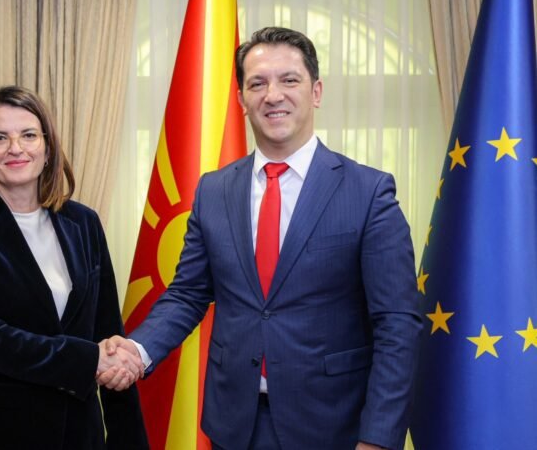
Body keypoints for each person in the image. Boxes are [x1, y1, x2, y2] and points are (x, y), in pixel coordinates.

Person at [103, 27, 422, 450]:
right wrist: (136, 351)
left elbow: (397, 323)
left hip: (333, 426)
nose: (273, 95)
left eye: (289, 80)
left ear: (316, 92)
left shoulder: (368, 192)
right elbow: (187, 294)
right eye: (257, 83)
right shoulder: (213, 190)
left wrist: (378, 438)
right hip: (234, 425)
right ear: (241, 99)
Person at [0, 85, 148, 450]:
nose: (15, 148)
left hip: (78, 432)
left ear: (48, 149)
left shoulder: (84, 223)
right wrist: (88, 359)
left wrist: (128, 437)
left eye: (29, 135)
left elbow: (108, 330)